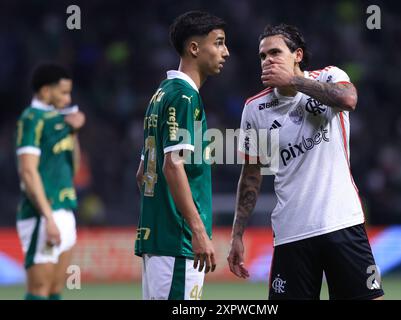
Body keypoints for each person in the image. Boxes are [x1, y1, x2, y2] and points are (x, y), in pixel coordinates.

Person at [228, 24, 384, 300]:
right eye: (262, 56)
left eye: (275, 52)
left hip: (341, 223)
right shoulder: (254, 109)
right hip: (291, 233)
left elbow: (348, 99)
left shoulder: (329, 75)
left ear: (297, 55)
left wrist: (295, 81)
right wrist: (237, 234)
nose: (267, 60)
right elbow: (251, 174)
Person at [134, 11, 230, 300]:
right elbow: (172, 166)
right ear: (194, 48)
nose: (225, 51)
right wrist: (197, 231)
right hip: (177, 244)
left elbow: (142, 173)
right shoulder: (185, 98)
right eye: (219, 43)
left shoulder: (161, 94)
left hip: (159, 239)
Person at [15, 63, 85, 300]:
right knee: (39, 291)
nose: (68, 98)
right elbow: (27, 171)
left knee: (55, 291)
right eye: (63, 92)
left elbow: (73, 168)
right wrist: (48, 218)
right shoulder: (31, 119)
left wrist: (74, 133)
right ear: (45, 92)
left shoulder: (59, 122)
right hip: (42, 214)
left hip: (65, 210)